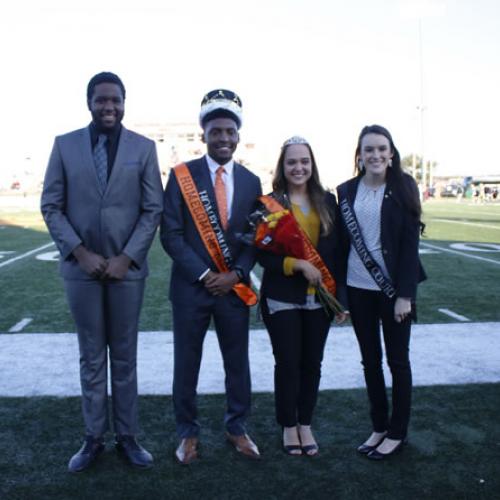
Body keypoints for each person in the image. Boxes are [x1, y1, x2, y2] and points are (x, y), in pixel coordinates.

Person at [41, 72, 163, 472]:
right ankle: (93, 438)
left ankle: (127, 437)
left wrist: (126, 257)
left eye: (115, 100)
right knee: (91, 356)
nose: (108, 107)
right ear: (89, 102)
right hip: (82, 271)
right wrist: (80, 252)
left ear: (124, 103)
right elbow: (51, 205)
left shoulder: (143, 149)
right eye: (101, 100)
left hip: (126, 271)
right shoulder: (64, 145)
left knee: (124, 357)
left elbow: (152, 209)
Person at [161, 89, 262, 464]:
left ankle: (237, 428)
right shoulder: (182, 176)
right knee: (187, 364)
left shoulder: (252, 182)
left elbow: (256, 238)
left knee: (238, 363)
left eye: (229, 132)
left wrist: (236, 273)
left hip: (234, 289)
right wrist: (206, 274)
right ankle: (187, 434)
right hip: (191, 289)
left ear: (238, 135)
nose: (223, 138)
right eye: (216, 131)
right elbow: (170, 234)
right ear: (203, 134)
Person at [335, 124, 426, 460]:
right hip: (358, 290)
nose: (375, 155)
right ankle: (379, 426)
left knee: (398, 362)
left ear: (391, 153)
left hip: (393, 293)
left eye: (381, 149)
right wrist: (340, 297)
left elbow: (409, 246)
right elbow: (342, 246)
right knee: (370, 362)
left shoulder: (403, 186)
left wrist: (406, 294)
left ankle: (397, 433)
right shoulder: (345, 191)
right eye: (368, 149)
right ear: (359, 155)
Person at [257, 136, 347, 456]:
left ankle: (305, 423)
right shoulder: (269, 203)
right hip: (282, 297)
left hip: (319, 298)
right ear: (282, 166)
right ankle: (288, 425)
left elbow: (337, 254)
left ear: (313, 164)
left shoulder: (328, 201)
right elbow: (262, 254)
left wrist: (339, 300)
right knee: (288, 363)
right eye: (292, 161)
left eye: (304, 161)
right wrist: (294, 264)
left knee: (312, 363)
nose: (299, 167)